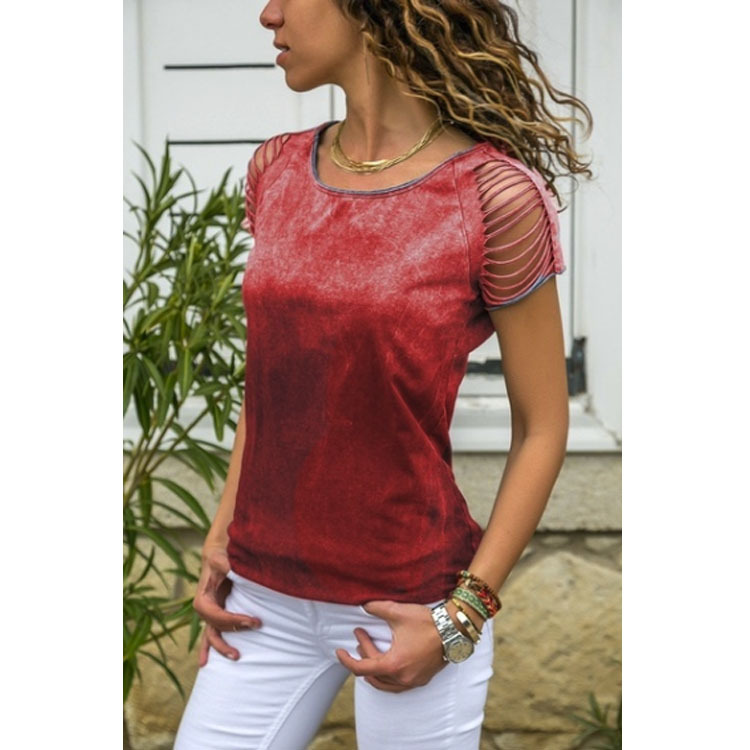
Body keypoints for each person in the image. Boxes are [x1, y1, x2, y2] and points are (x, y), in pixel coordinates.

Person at [174, 1, 593, 748]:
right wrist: (220, 535)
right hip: (260, 597)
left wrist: (461, 616)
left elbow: (543, 426)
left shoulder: (492, 198)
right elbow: (272, 385)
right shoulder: (276, 171)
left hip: (410, 605)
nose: (268, 14)